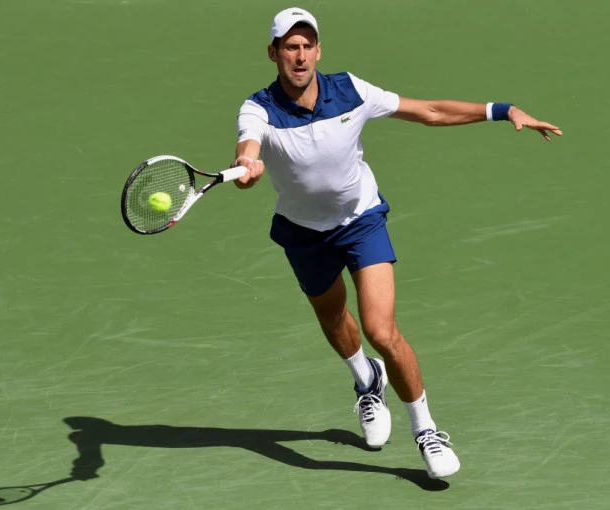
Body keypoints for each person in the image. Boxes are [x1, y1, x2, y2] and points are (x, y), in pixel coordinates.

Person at [231, 7, 562, 480]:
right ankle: (367, 379)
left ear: (319, 51)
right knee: (333, 319)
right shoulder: (258, 108)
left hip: (360, 221)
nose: (299, 56)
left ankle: (426, 430)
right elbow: (248, 147)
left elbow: (428, 111)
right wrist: (248, 167)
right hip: (303, 232)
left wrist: (503, 110)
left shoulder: (351, 90)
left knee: (381, 331)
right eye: (290, 47)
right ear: (273, 53)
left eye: (307, 46)